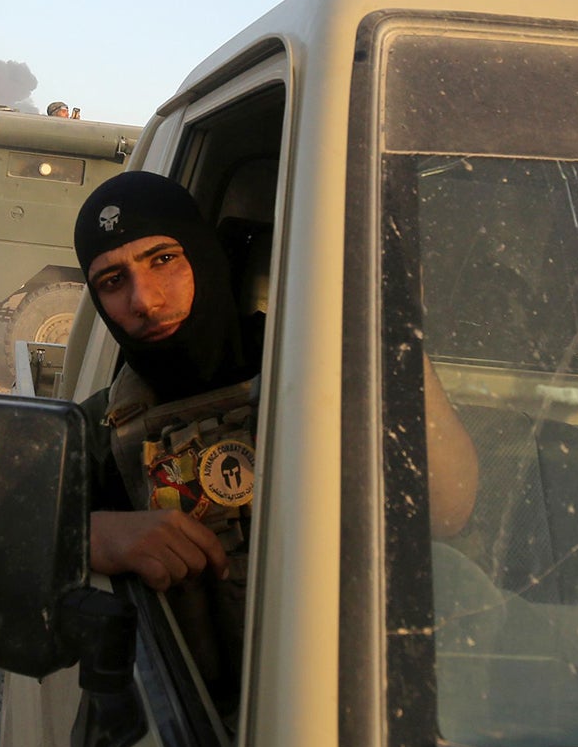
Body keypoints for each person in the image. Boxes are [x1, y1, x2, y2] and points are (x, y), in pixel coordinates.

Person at [74, 171, 479, 591]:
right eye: (113, 281)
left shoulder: (323, 363)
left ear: (203, 254)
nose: (144, 299)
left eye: (164, 259)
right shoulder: (101, 431)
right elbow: (13, 542)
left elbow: (447, 511)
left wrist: (392, 334)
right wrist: (91, 536)